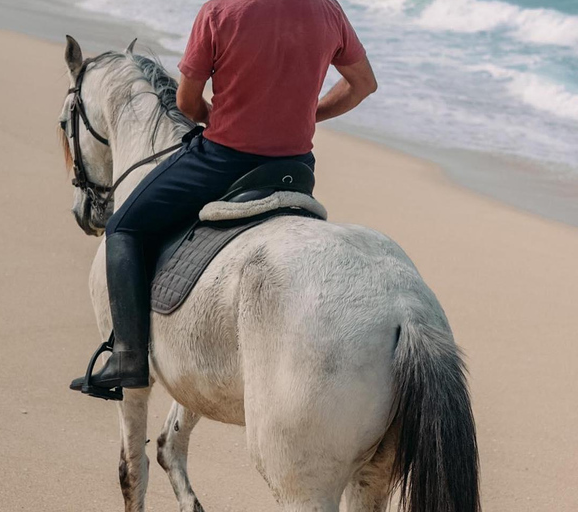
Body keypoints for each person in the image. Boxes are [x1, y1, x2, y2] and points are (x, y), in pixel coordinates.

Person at [70, 0, 377, 394]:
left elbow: (185, 103)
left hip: (223, 163)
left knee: (123, 226)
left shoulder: (222, 10)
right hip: (296, 168)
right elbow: (363, 84)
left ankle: (128, 357)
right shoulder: (328, 9)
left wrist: (211, 115)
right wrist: (306, 114)